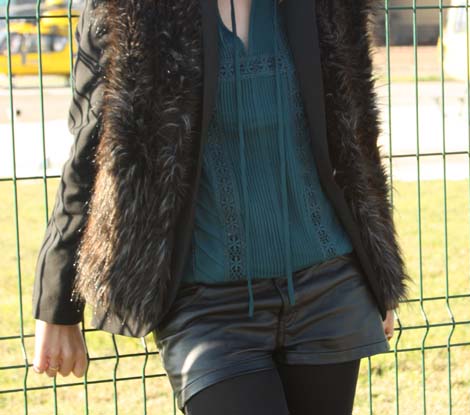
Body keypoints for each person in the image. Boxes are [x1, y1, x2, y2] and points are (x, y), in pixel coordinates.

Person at [32, 0, 411, 413]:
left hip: (329, 290)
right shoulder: (131, 7)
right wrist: (58, 304)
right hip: (206, 307)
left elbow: (356, 135)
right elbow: (91, 150)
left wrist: (377, 272)